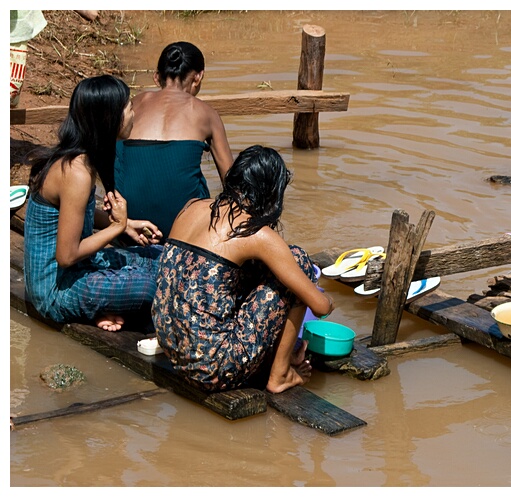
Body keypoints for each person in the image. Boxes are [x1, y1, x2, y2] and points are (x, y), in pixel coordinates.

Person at [152, 145, 333, 394]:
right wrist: (325, 297)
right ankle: (280, 374)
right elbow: (320, 307)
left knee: (252, 271)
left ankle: (282, 357)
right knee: (298, 260)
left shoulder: (191, 206)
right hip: (211, 370)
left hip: (175, 354)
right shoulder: (256, 233)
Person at [24, 75, 163, 332]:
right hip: (55, 291)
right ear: (109, 119)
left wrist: (126, 223)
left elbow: (76, 215)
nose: (134, 113)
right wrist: (117, 227)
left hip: (77, 270)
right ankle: (102, 308)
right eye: (129, 107)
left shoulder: (82, 159)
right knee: (152, 285)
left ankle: (107, 307)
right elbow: (66, 256)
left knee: (161, 256)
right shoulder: (76, 172)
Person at [114, 41, 233, 242]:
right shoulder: (206, 113)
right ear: (198, 77)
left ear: (156, 76)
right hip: (185, 233)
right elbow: (232, 182)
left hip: (128, 225)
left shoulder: (133, 105)